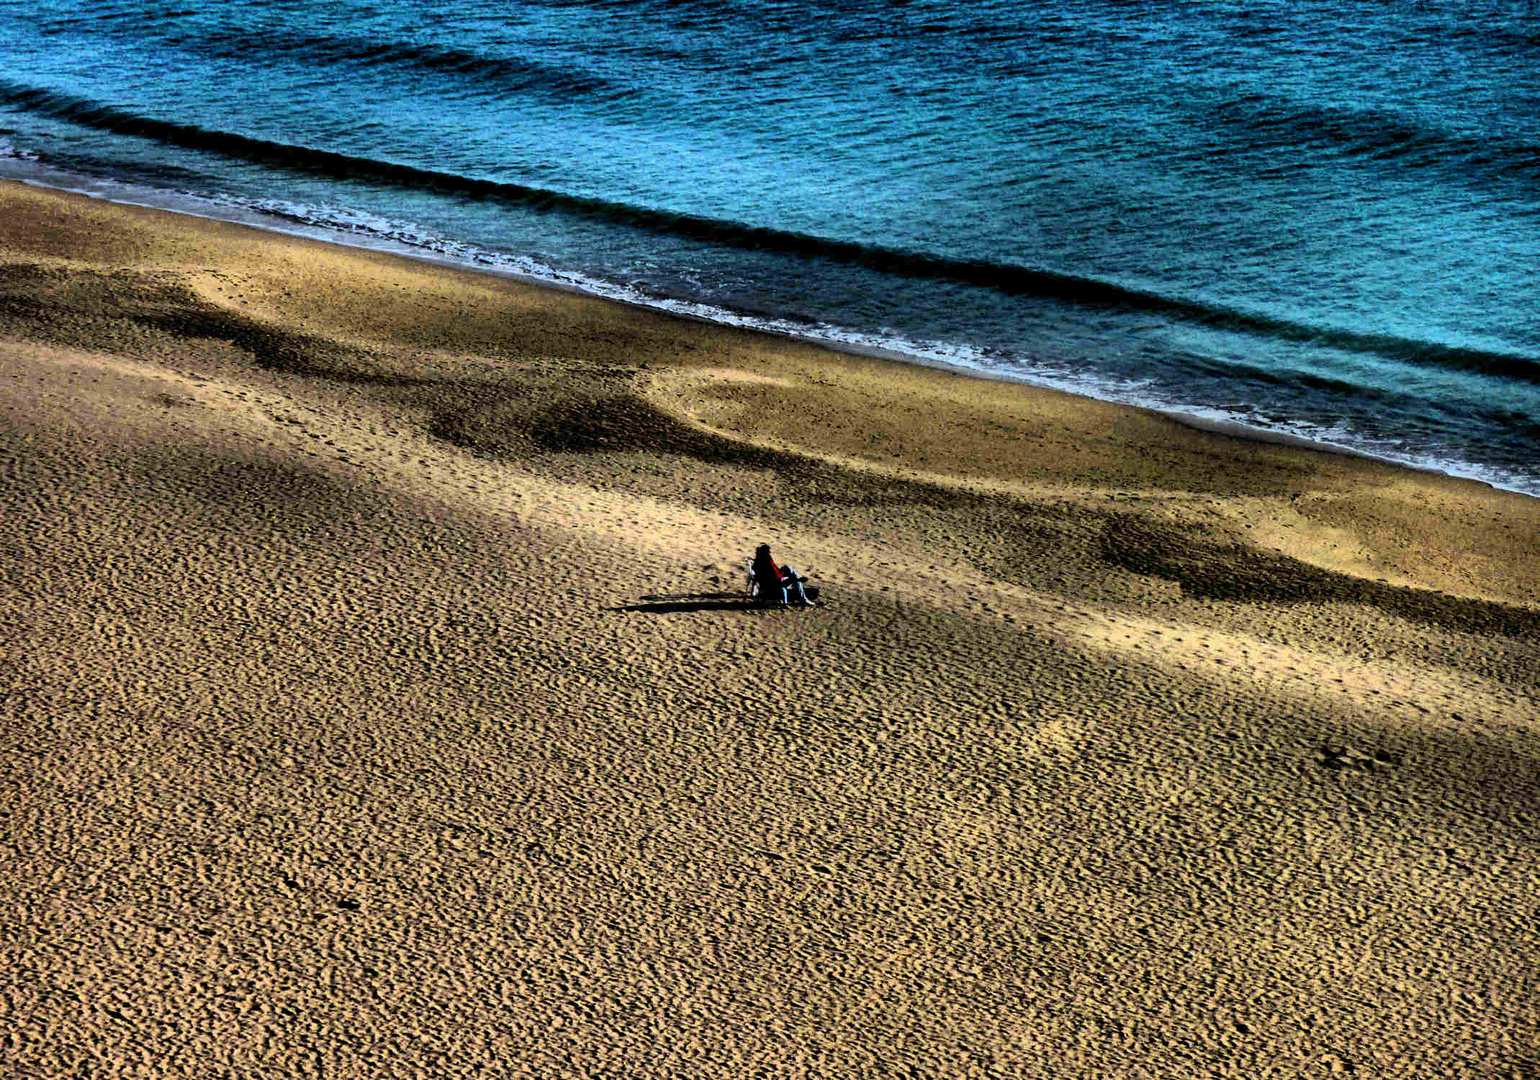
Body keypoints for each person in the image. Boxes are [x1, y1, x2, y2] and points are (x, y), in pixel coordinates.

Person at [751, 544, 814, 608]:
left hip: (776, 579)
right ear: (765, 552)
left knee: (788, 568)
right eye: (768, 551)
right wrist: (782, 577)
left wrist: (781, 573)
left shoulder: (760, 560)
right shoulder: (765, 561)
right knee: (796, 581)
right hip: (775, 583)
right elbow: (772, 575)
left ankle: (798, 579)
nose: (769, 552)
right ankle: (802, 595)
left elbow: (774, 571)